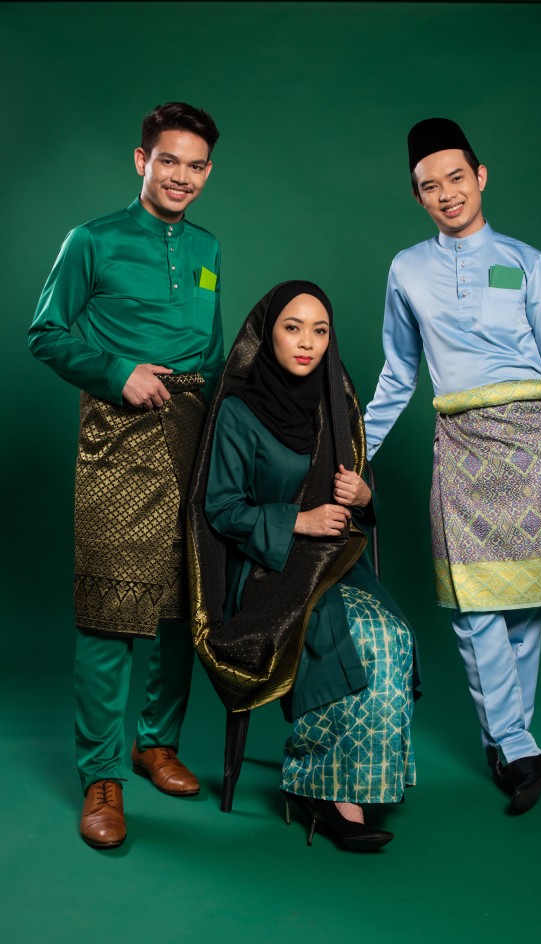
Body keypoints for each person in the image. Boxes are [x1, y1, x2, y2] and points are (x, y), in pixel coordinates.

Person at [364, 118, 541, 813]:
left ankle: (510, 741)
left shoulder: (530, 262)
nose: (446, 193)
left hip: (531, 442)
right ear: (417, 196)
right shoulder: (406, 269)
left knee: (524, 602)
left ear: (480, 176)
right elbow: (399, 373)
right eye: (430, 186)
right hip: (459, 442)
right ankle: (514, 744)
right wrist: (355, 450)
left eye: (456, 177)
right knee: (474, 601)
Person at [28, 102, 224, 848]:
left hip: (193, 431)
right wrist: (117, 372)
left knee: (181, 602)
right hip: (117, 432)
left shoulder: (207, 247)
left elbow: (210, 348)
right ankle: (102, 774)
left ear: (208, 172)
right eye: (168, 160)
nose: (181, 177)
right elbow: (45, 332)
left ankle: (156, 743)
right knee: (110, 607)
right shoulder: (92, 239)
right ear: (142, 160)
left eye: (196, 166)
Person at [187, 281, 420, 851]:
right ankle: (327, 793)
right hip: (265, 571)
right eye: (293, 328)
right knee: (355, 638)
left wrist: (364, 496)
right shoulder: (239, 410)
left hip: (333, 564)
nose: (307, 342)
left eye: (320, 330)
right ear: (267, 333)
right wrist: (301, 521)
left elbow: (351, 501)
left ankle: (357, 782)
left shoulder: (334, 402)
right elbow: (220, 509)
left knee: (390, 637)